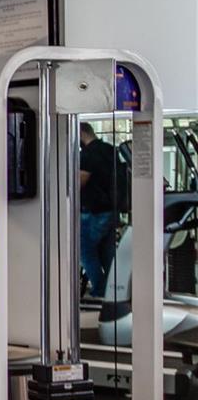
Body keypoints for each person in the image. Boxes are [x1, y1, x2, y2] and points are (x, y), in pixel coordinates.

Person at [79, 121, 118, 297]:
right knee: (107, 252)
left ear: (80, 133)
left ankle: (100, 290)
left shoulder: (88, 154)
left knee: (85, 251)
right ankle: (114, 290)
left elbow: (80, 182)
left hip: (93, 211)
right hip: (111, 209)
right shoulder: (110, 149)